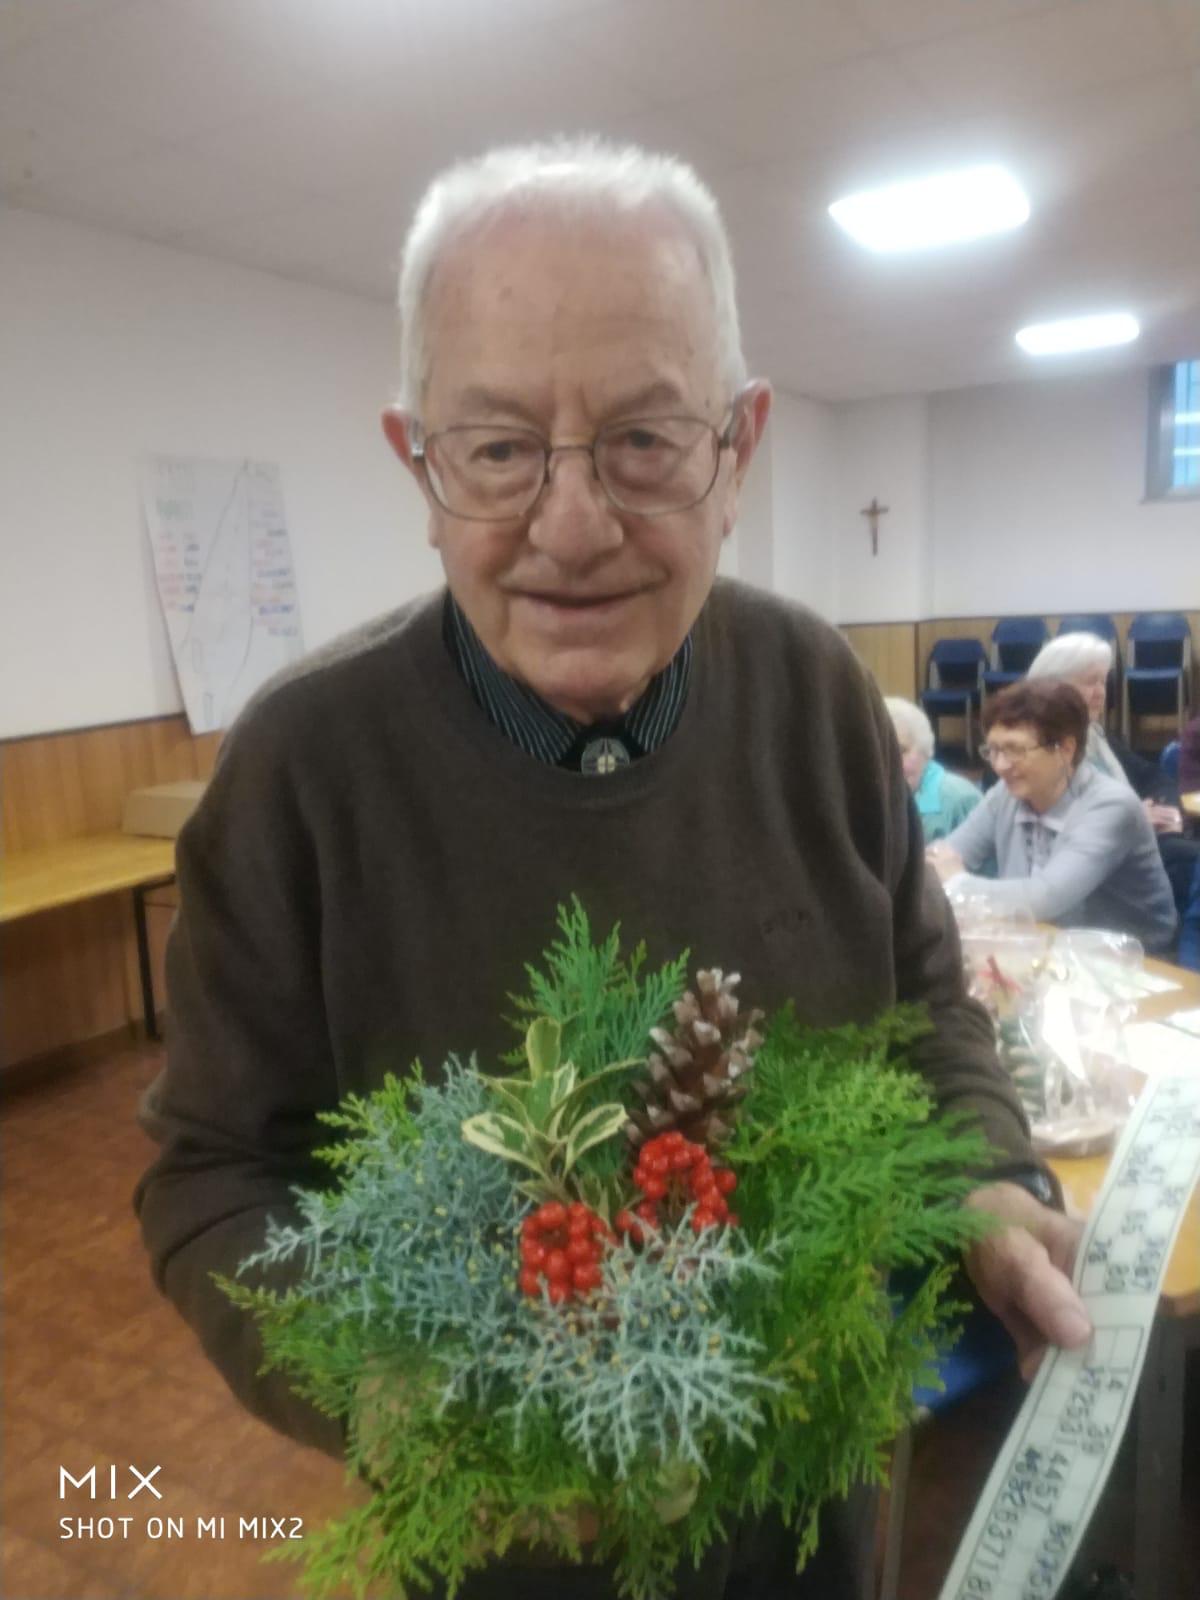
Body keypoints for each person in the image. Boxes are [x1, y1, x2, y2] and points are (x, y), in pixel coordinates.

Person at [135, 139, 1091, 1600]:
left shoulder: (820, 696)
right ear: (418, 465)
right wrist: (397, 1389)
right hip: (498, 1559)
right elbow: (212, 1176)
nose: (572, 528)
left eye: (645, 438)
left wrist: (989, 1177)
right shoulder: (299, 773)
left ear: (738, 449)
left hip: (814, 1538)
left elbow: (928, 1010)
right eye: (497, 447)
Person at [928, 680, 1177, 951]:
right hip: (1040, 942)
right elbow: (941, 857)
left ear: (1065, 750)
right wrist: (937, 870)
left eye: (1015, 750)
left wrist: (958, 882)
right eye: (993, 751)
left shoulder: (1111, 806)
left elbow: (1046, 898)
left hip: (1134, 958)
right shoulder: (1006, 793)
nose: (1000, 766)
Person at [884, 695, 981, 843]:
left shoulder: (960, 799)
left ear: (925, 751)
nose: (891, 762)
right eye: (881, 751)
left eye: (901, 751)